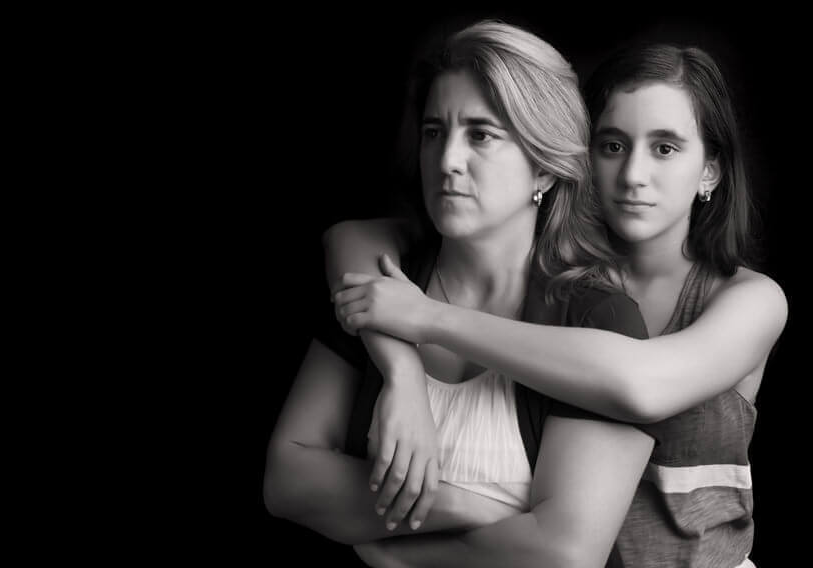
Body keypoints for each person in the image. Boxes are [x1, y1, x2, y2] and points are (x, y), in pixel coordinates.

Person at [330, 42, 787, 566]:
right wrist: (402, 370)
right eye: (612, 145)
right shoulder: (558, 279)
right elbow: (353, 241)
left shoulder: (749, 300)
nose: (634, 174)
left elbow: (639, 385)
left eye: (665, 148)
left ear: (710, 170)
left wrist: (429, 318)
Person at [266, 19, 656, 567]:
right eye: (434, 132)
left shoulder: (595, 319)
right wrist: (467, 506)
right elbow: (289, 479)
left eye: (481, 134)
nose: (447, 160)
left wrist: (396, 554)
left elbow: (563, 554)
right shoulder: (385, 278)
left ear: (543, 170)